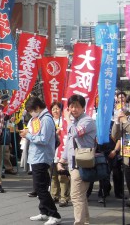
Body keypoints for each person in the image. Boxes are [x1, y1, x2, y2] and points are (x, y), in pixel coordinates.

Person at [20, 97, 61, 225]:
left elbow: (43, 139)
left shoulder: (46, 119)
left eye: (31, 110)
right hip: (36, 155)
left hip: (42, 157)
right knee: (40, 186)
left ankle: (54, 214)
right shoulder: (37, 118)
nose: (31, 113)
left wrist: (28, 135)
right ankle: (44, 212)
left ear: (37, 108)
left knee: (40, 187)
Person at [57, 95, 97, 225]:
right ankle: (84, 221)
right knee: (80, 196)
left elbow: (75, 133)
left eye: (77, 106)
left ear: (83, 107)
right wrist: (61, 160)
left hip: (83, 163)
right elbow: (69, 143)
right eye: (71, 106)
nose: (74, 109)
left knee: (75, 196)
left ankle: (79, 222)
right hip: (74, 163)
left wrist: (68, 119)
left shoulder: (87, 121)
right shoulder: (74, 122)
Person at [50, 102, 70, 207]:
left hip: (62, 151)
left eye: (57, 109)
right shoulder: (49, 121)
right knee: (53, 175)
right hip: (52, 152)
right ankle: (54, 195)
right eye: (53, 109)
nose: (55, 111)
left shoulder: (65, 122)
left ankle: (64, 197)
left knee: (63, 176)